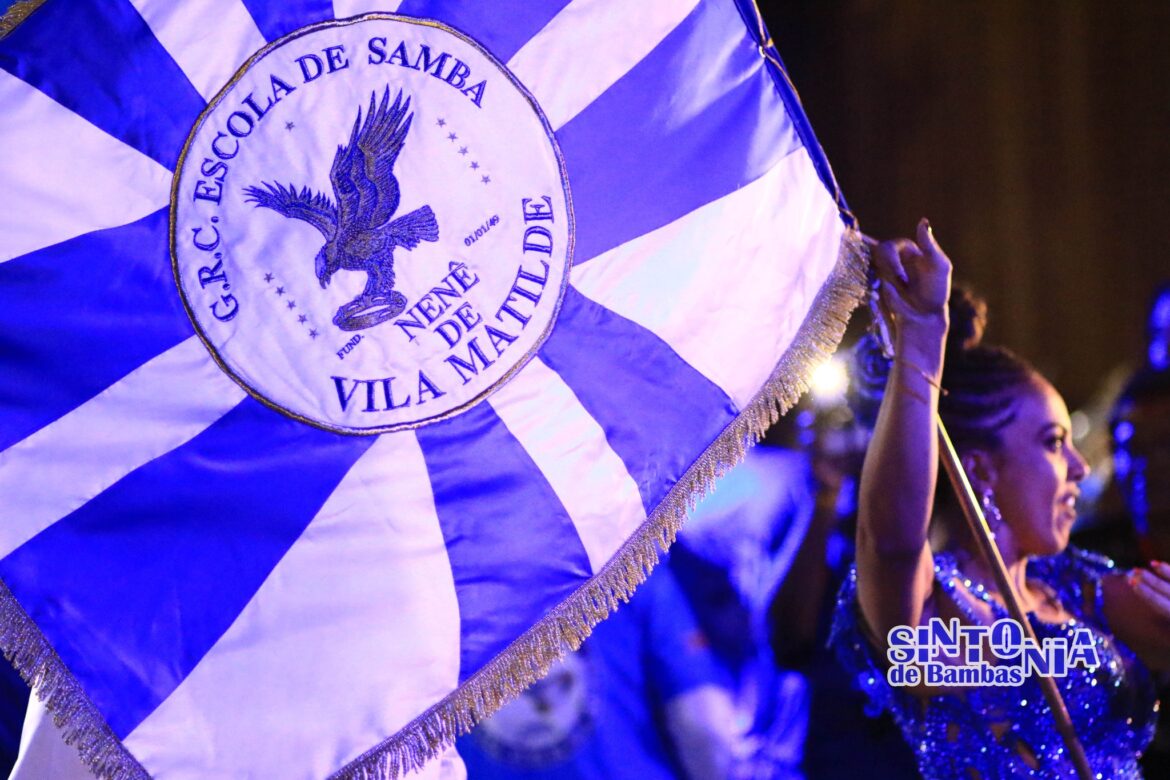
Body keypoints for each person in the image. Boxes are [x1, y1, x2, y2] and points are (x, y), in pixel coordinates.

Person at [830, 221, 1170, 778]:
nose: (1081, 467)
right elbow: (889, 541)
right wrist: (920, 339)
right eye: (1054, 443)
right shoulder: (931, 609)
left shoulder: (1077, 589)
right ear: (981, 470)